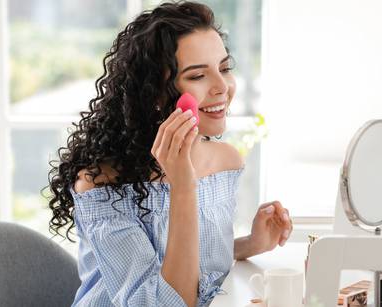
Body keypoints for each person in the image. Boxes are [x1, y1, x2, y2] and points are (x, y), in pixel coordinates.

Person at [47, 1, 292, 306]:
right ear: (155, 93)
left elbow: (192, 260)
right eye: (197, 76)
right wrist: (183, 185)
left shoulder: (224, 163)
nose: (222, 87)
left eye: (225, 68)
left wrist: (249, 245)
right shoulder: (101, 186)